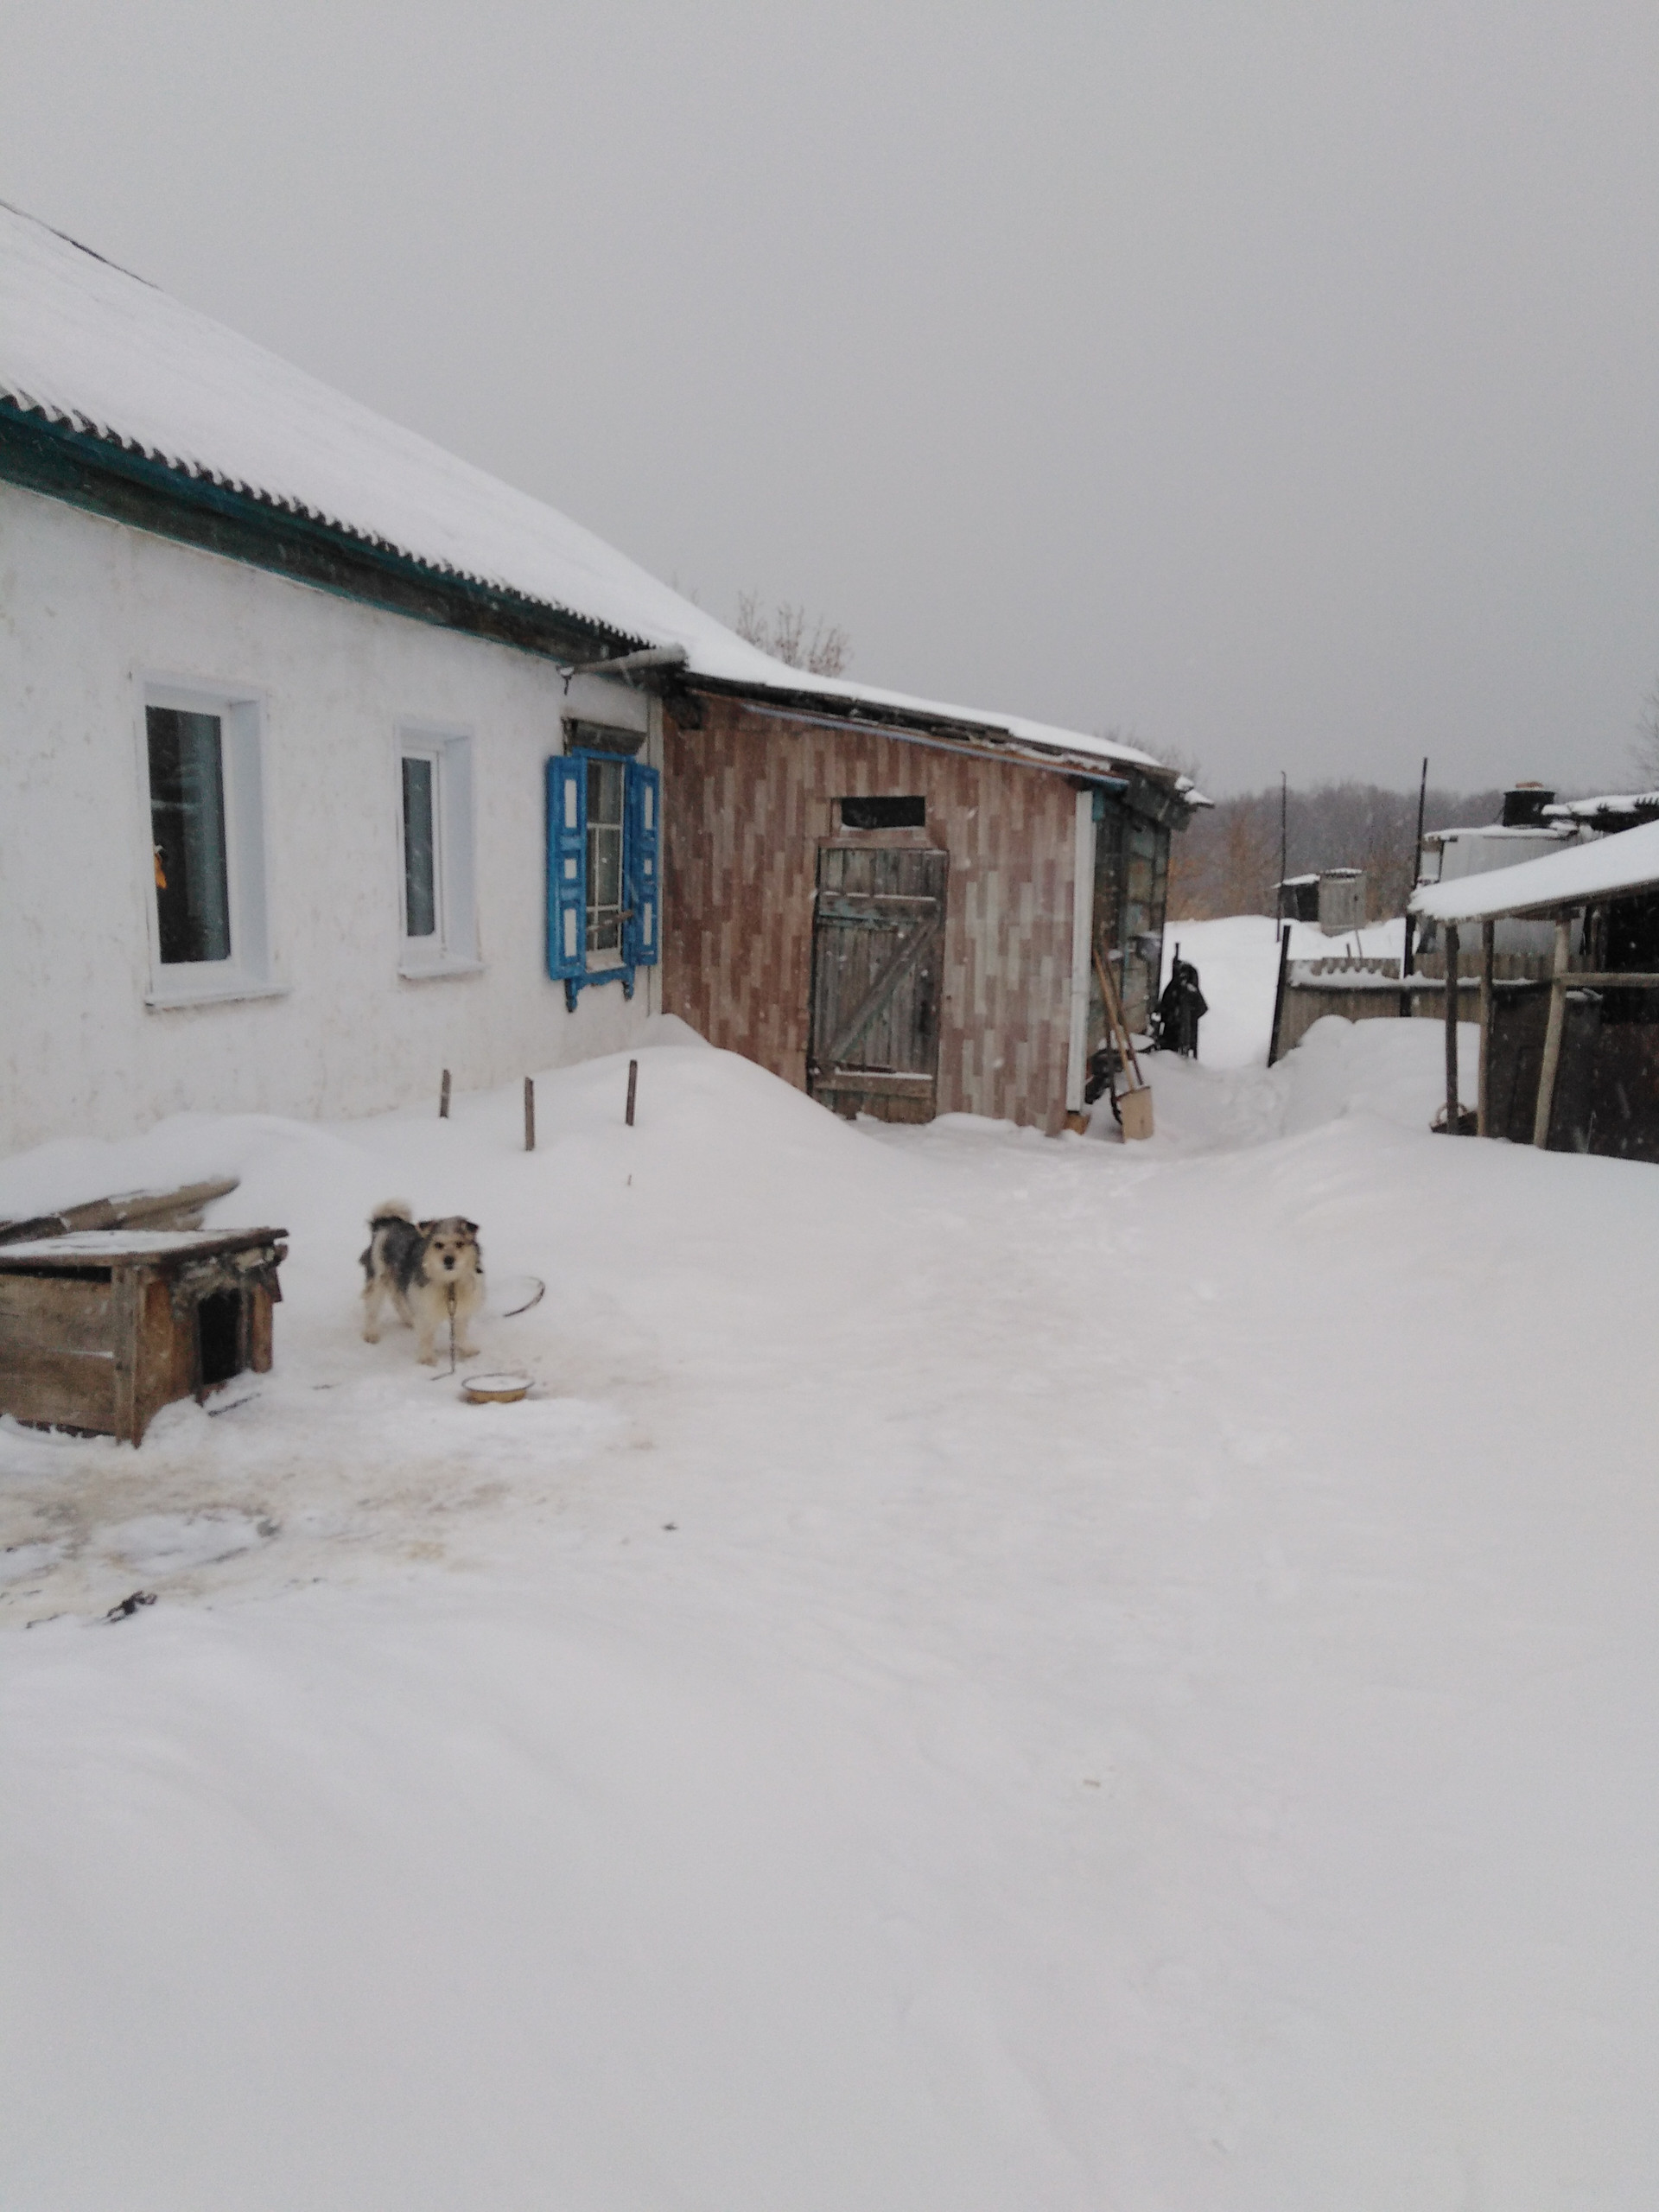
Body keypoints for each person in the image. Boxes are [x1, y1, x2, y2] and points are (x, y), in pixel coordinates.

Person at [1153, 955, 1207, 1058]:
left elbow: (1201, 1008)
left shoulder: (1190, 992)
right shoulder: (1174, 988)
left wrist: (1187, 1016)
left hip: (1182, 1032)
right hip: (1172, 1031)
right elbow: (1164, 1006)